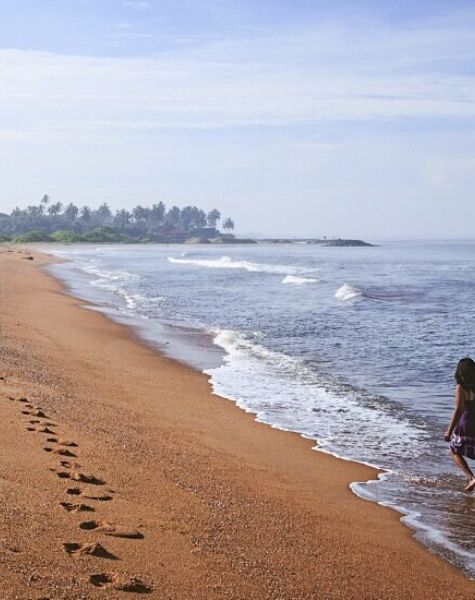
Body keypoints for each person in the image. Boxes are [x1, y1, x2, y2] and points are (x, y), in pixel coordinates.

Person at [445, 357, 475, 492]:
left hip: (467, 422)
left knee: (454, 449)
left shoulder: (461, 388)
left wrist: (449, 430)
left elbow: (459, 409)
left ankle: (471, 477)